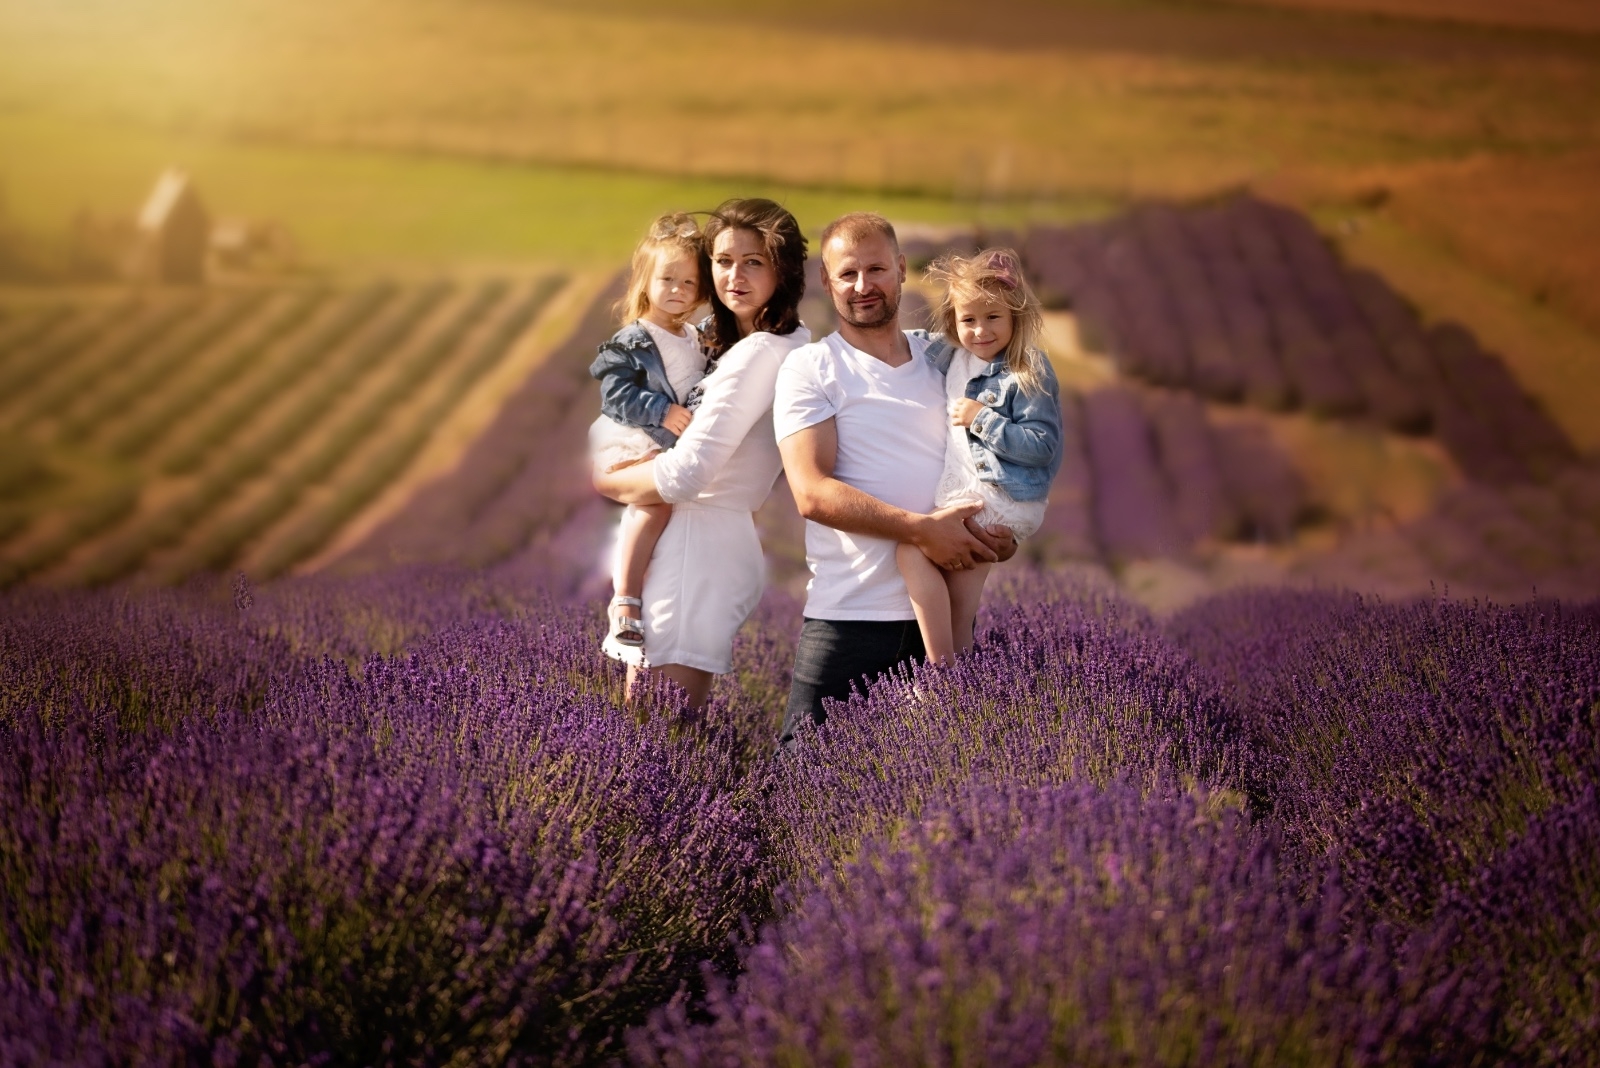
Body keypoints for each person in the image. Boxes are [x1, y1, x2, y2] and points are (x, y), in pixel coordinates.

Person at [773, 213, 1016, 746]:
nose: (863, 285)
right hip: (851, 616)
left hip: (944, 616)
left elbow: (999, 451)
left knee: (940, 780)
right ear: (827, 282)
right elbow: (811, 492)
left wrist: (1001, 533)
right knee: (801, 775)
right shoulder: (812, 368)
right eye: (848, 273)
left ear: (902, 269)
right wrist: (921, 531)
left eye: (876, 269)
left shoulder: (945, 359)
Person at [592, 198, 811, 708]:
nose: (734, 276)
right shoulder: (753, 343)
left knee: (657, 723)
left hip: (697, 545)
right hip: (696, 539)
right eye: (723, 260)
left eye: (753, 261)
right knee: (656, 723)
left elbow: (688, 473)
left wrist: (607, 480)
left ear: (783, 269)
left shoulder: (761, 351)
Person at [898, 249, 1063, 666]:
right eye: (968, 319)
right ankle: (955, 680)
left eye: (993, 317)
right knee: (958, 605)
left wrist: (982, 419)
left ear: (1015, 316)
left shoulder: (1027, 367)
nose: (980, 330)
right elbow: (905, 343)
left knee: (912, 553)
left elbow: (1042, 445)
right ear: (953, 321)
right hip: (973, 496)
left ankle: (942, 678)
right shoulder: (953, 355)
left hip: (997, 499)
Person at [587, 212, 711, 658]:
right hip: (634, 436)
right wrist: (662, 410)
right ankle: (624, 600)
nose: (678, 290)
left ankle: (649, 600)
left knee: (670, 521)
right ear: (645, 282)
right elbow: (614, 394)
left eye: (688, 283)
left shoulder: (694, 336)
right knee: (652, 508)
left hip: (667, 444)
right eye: (667, 279)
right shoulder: (635, 338)